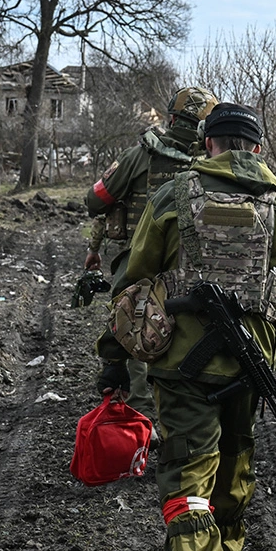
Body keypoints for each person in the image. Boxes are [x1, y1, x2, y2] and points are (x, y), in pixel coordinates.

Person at [95, 103, 276, 551]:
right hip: (250, 367)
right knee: (235, 471)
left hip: (181, 370)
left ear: (207, 145)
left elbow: (132, 281)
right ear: (257, 148)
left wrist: (113, 355)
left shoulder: (173, 198)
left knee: (188, 477)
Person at [83, 86, 218, 420]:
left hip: (139, 261)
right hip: (193, 268)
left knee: (135, 327)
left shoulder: (140, 155)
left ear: (171, 118)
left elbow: (95, 200)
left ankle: (142, 415)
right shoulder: (212, 161)